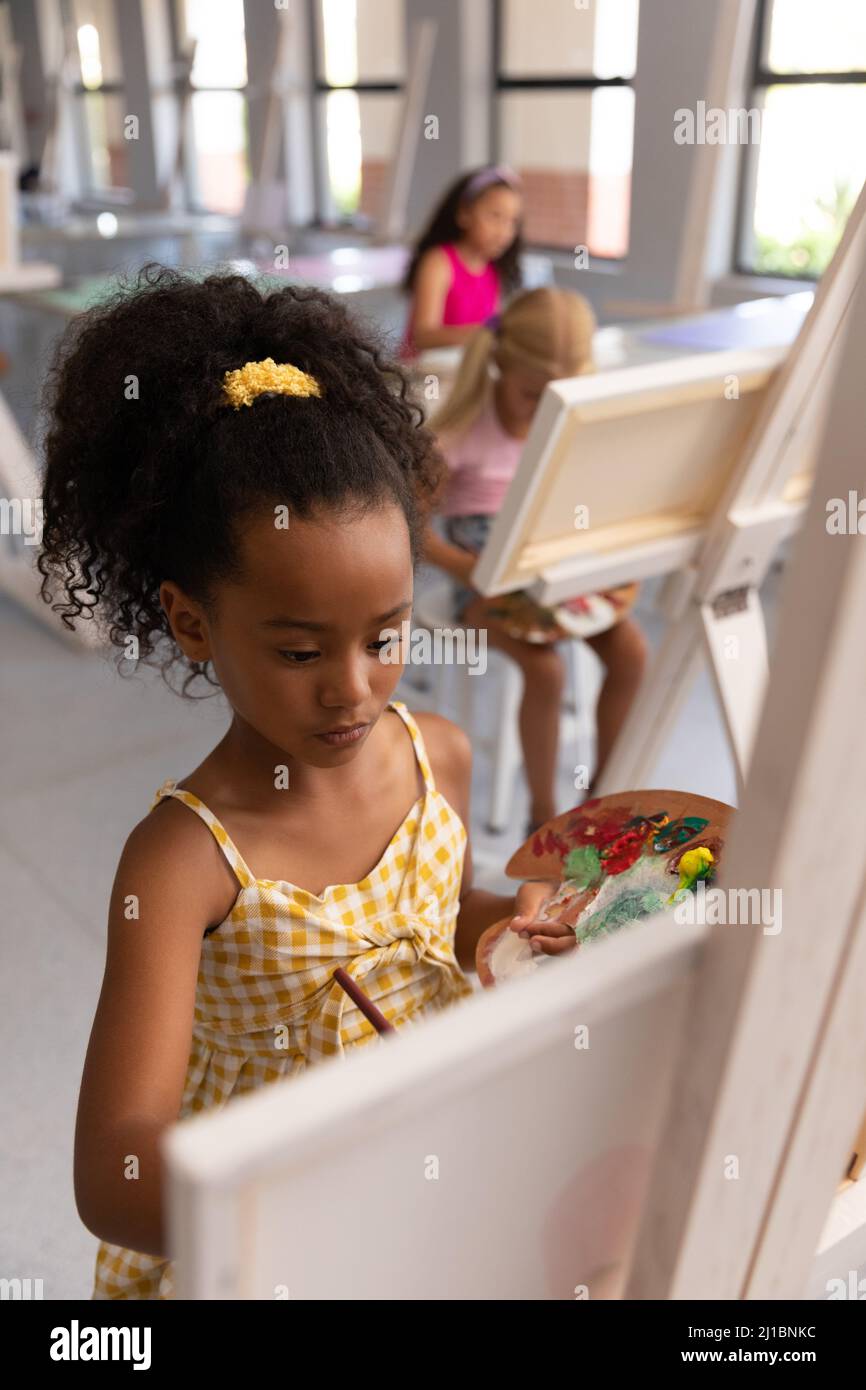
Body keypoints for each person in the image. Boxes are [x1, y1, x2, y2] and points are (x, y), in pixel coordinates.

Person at [37, 266, 574, 1299]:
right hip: (273, 1245)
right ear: (194, 624)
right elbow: (116, 1172)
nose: (353, 689)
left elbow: (444, 919)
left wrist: (515, 920)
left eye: (385, 637)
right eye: (297, 653)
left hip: (429, 1187)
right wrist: (327, 1185)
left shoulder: (438, 758)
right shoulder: (185, 860)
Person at [423, 287, 648, 832]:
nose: (543, 410)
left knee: (632, 652)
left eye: (557, 398)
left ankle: (601, 796)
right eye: (530, 396)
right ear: (500, 365)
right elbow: (407, 526)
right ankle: (542, 815)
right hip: (480, 585)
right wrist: (466, 569)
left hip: (552, 567)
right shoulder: (462, 430)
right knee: (545, 672)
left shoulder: (567, 423)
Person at [400, 165, 523, 358]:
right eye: (495, 216)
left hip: (459, 371)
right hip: (423, 375)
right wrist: (486, 333)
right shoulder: (438, 262)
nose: (504, 231)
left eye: (512, 221)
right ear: (464, 214)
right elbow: (423, 336)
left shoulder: (494, 270)